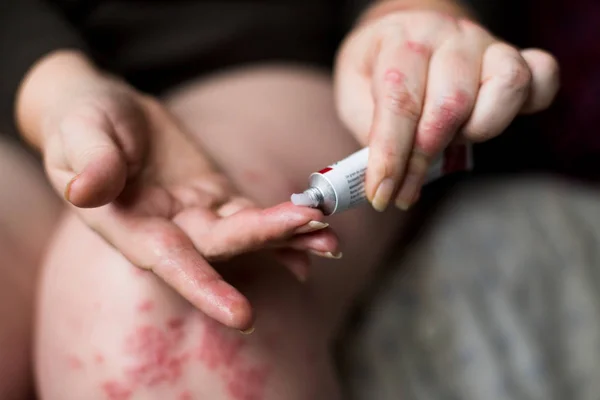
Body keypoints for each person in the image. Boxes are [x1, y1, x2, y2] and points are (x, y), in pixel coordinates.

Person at [0, 0, 558, 398]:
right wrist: (53, 90)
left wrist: (412, 17)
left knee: (152, 313)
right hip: (25, 84)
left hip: (269, 52)